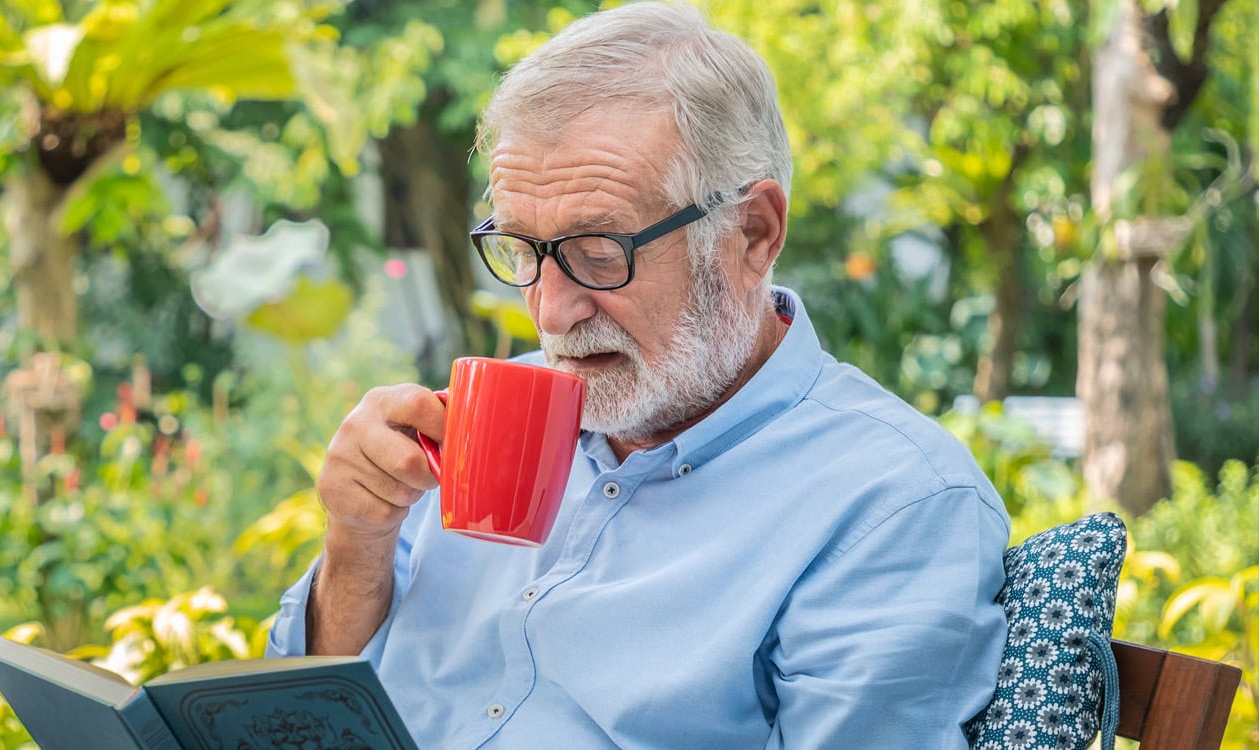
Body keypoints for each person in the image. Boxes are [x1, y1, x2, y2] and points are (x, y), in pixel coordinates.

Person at [267, 3, 1009, 747]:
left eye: (598, 251)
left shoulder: (891, 504)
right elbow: (291, 717)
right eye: (522, 250)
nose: (550, 314)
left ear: (753, 232)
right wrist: (358, 541)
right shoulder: (491, 415)